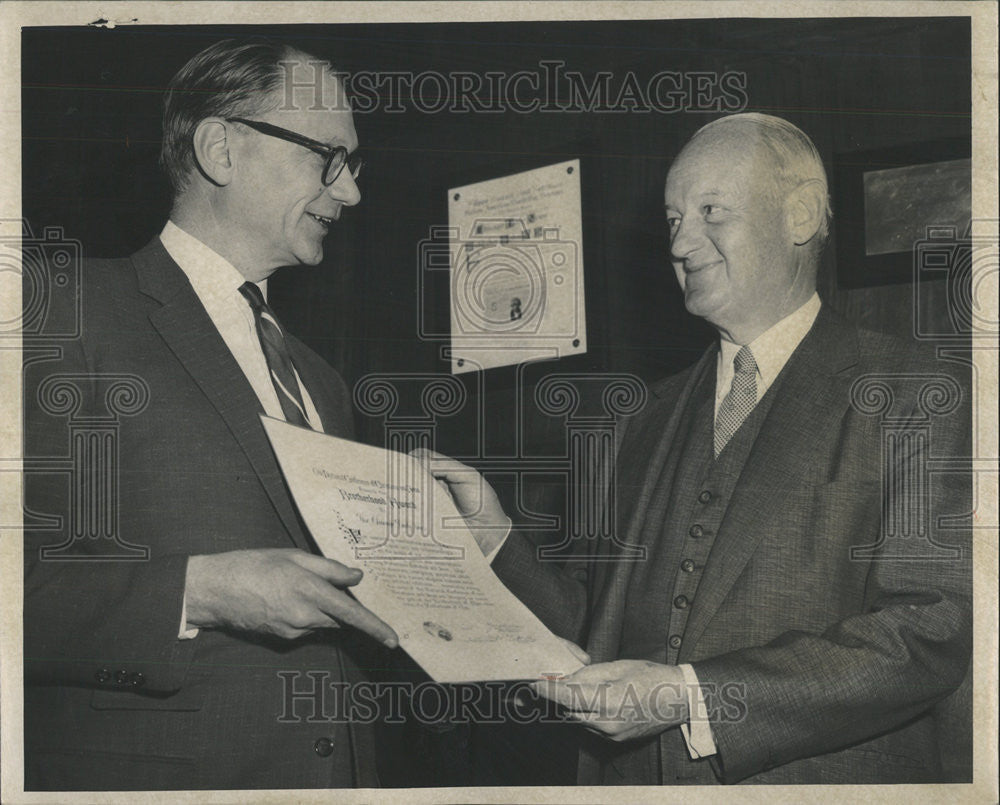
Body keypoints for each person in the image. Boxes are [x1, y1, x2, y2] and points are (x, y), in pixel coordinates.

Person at [424, 113, 972, 785]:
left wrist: (692, 694)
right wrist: (496, 535)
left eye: (711, 210)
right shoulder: (639, 418)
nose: (682, 241)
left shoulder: (920, 394)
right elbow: (594, 627)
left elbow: (931, 630)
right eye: (673, 217)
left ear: (799, 216)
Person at [23, 38, 398, 790]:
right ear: (222, 149)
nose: (350, 193)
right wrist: (199, 591)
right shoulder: (58, 309)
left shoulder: (323, 381)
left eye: (354, 165)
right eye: (329, 157)